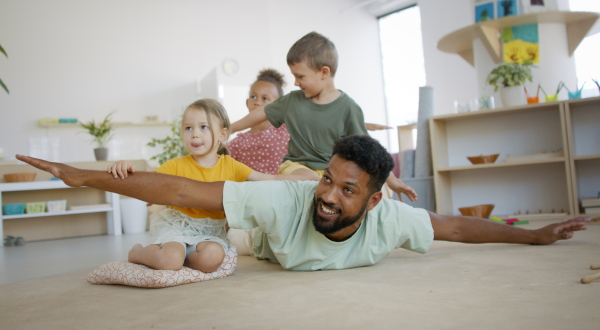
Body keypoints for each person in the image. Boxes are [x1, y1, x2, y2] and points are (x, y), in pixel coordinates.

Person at [16, 135, 590, 271]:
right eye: (329, 181)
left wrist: (534, 236)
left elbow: (458, 230)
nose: (330, 198)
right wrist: (80, 176)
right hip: (260, 240)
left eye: (347, 191)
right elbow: (186, 190)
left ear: (373, 198)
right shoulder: (288, 201)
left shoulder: (391, 222)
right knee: (209, 243)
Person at [105, 99, 307, 272]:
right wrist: (126, 166)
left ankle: (181, 257)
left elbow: (268, 179)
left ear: (222, 134)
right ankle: (139, 252)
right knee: (170, 260)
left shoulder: (231, 166)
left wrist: (302, 179)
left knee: (212, 259)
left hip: (210, 233)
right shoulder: (176, 165)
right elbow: (148, 183)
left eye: (203, 127)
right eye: (188, 128)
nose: (194, 134)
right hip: (178, 226)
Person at [230, 32, 417, 202]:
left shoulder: (348, 108)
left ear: (324, 73)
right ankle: (266, 179)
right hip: (297, 167)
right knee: (311, 181)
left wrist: (391, 180)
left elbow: (370, 152)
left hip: (332, 173)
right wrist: (229, 128)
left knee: (337, 187)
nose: (296, 82)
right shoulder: (291, 101)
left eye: (300, 76)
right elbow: (260, 114)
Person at [228, 68, 392, 175]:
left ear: (278, 105)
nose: (257, 102)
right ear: (247, 102)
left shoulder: (286, 128)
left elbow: (321, 125)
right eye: (253, 96)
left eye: (265, 98)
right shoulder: (238, 142)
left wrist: (361, 125)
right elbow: (225, 165)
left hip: (289, 185)